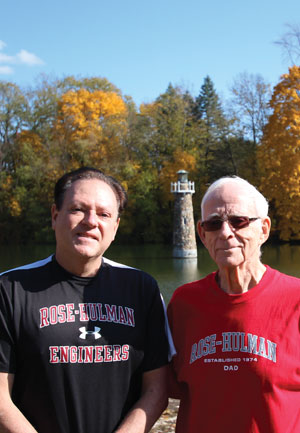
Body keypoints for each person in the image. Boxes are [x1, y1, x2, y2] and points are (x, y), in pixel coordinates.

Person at [0, 167, 170, 433]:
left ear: (115, 227)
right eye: (78, 209)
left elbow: (157, 389)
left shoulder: (142, 288)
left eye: (104, 214)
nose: (91, 221)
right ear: (55, 216)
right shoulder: (10, 289)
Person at [167, 176, 300, 433]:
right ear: (202, 234)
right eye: (214, 224)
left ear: (263, 229)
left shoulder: (295, 298)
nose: (226, 232)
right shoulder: (184, 303)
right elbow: (164, 386)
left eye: (238, 221)